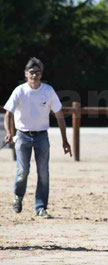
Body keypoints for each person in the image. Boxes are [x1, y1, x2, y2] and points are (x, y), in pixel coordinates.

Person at [3, 57, 72, 218]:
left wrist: (65, 140)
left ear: (41, 75)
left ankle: (40, 207)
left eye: (38, 73)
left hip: (42, 136)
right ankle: (18, 196)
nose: (34, 75)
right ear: (26, 74)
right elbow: (8, 114)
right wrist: (8, 132)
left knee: (43, 173)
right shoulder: (19, 91)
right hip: (22, 136)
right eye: (32, 72)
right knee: (23, 171)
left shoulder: (48, 91)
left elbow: (59, 116)